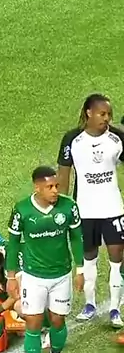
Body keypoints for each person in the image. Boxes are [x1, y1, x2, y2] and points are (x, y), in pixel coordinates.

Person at [5, 165, 84, 353]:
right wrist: (11, 276)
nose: (55, 190)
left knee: (58, 321)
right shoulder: (22, 210)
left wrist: (80, 269)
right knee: (33, 323)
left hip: (61, 275)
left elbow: (77, 238)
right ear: (37, 187)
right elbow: (13, 244)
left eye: (56, 185)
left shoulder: (69, 207)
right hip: (34, 277)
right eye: (49, 186)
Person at [56, 93, 124, 327]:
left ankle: (115, 309)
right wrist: (61, 208)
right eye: (102, 114)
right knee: (88, 258)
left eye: (109, 115)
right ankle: (90, 304)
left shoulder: (117, 138)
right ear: (89, 113)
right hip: (84, 209)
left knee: (116, 258)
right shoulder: (72, 140)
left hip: (113, 208)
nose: (106, 118)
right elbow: (63, 175)